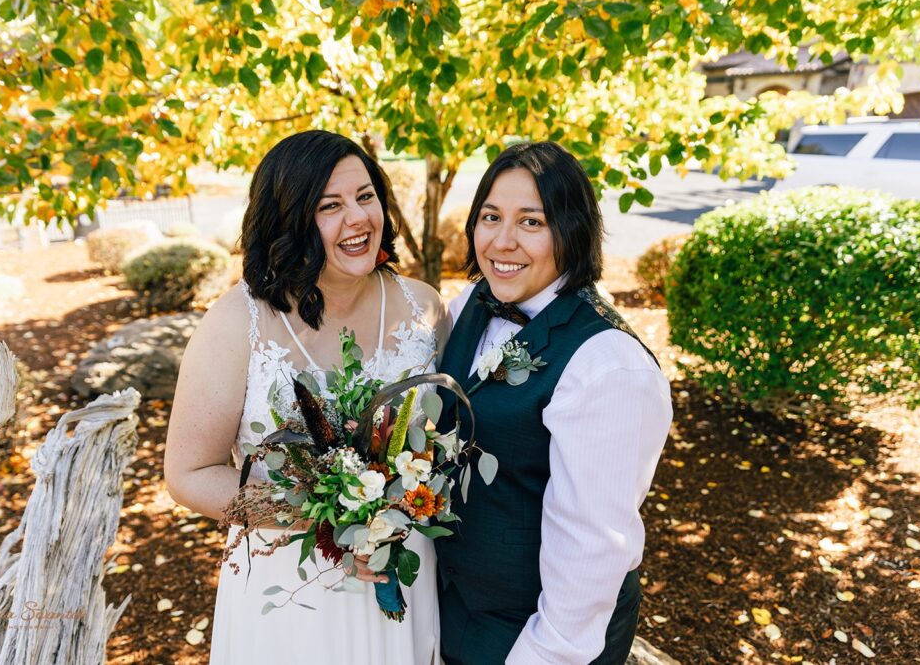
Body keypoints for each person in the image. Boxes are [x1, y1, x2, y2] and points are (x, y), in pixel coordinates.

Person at [164, 130, 449, 664]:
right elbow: (189, 473)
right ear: (290, 220)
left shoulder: (424, 308)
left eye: (366, 197)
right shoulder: (237, 322)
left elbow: (441, 440)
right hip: (290, 599)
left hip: (403, 571)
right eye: (329, 206)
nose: (358, 219)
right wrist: (329, 523)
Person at [433, 142, 672, 664]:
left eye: (531, 222)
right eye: (490, 217)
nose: (502, 241)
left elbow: (592, 553)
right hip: (455, 614)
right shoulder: (468, 305)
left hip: (539, 638)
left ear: (572, 230)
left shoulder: (608, 367)